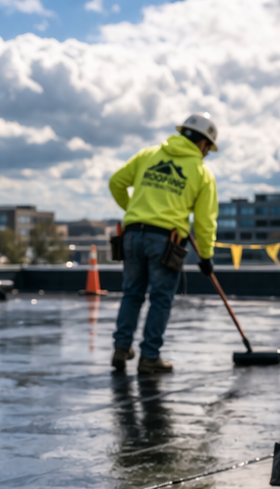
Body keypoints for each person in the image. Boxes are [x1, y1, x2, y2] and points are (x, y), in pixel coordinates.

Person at [107, 113, 220, 373]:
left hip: (132, 234)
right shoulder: (202, 173)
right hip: (165, 240)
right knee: (160, 298)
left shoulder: (148, 155)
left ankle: (121, 349)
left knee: (132, 293)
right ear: (203, 144)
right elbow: (205, 222)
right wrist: (206, 256)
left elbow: (116, 182)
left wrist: (134, 211)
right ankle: (149, 357)